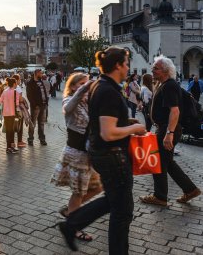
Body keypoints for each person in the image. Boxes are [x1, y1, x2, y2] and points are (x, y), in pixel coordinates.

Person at [58, 46, 147, 254]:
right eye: (126, 63)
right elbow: (108, 133)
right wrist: (135, 128)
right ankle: (72, 225)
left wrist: (126, 121)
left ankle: (71, 224)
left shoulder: (100, 85)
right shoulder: (108, 91)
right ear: (117, 65)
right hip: (113, 157)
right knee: (122, 212)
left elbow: (101, 121)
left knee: (114, 202)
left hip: (103, 155)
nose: (128, 68)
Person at [139, 55, 201, 206]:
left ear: (165, 71)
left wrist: (169, 134)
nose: (152, 70)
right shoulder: (164, 84)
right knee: (168, 162)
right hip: (165, 129)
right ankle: (190, 189)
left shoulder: (170, 85)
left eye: (156, 68)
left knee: (158, 162)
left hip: (168, 129)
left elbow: (175, 111)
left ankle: (160, 196)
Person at [51, 72, 102, 242]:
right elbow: (68, 107)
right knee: (78, 192)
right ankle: (73, 227)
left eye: (86, 83)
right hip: (77, 153)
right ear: (73, 86)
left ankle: (70, 210)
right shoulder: (69, 100)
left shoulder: (88, 103)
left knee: (98, 187)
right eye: (81, 83)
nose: (85, 86)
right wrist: (85, 88)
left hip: (88, 154)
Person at [26, 69, 50, 145]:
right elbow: (29, 95)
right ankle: (30, 139)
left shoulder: (41, 81)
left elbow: (44, 92)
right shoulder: (30, 83)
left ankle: (42, 139)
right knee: (33, 123)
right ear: (36, 74)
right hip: (36, 107)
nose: (42, 74)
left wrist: (46, 102)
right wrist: (34, 105)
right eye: (40, 73)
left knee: (41, 123)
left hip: (43, 105)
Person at [0, 78, 20, 154]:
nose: (17, 84)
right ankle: (10, 148)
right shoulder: (15, 92)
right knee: (12, 131)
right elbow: (17, 104)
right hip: (12, 113)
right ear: (14, 84)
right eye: (16, 83)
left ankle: (9, 147)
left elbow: (0, 101)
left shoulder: (5, 91)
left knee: (8, 131)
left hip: (5, 114)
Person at [12, 74, 27, 147]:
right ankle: (19, 141)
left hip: (11, 109)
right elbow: (20, 99)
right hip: (18, 109)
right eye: (19, 79)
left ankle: (11, 143)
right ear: (17, 80)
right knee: (20, 125)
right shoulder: (18, 88)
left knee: (12, 126)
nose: (20, 81)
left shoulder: (9, 88)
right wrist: (23, 99)